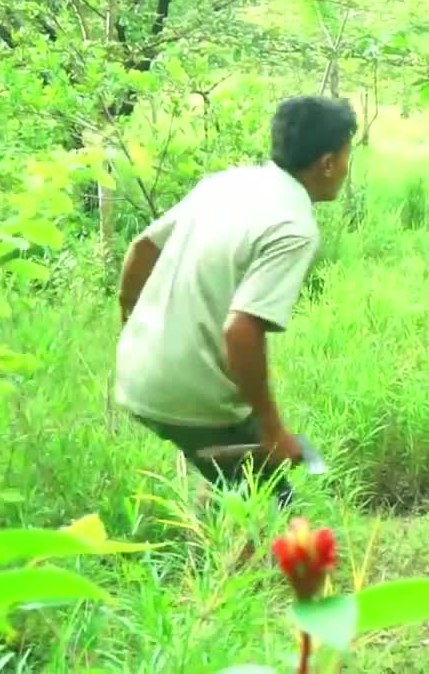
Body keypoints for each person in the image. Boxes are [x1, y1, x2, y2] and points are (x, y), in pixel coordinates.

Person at [113, 95, 355, 509]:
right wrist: (273, 429)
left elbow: (141, 249)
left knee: (228, 477)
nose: (348, 168)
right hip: (192, 398)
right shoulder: (293, 226)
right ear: (328, 163)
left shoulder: (225, 184)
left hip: (136, 375)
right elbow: (241, 330)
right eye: (349, 155)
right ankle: (234, 563)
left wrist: (134, 325)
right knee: (271, 513)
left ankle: (212, 527)